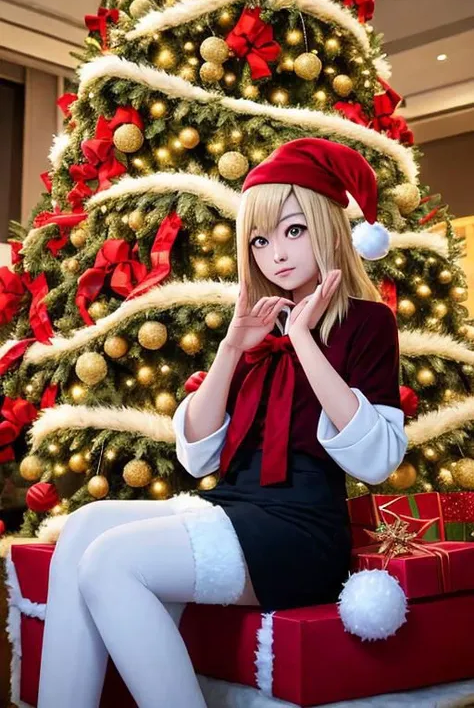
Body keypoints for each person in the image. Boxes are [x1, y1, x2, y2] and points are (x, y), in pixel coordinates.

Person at [37, 138, 408, 708]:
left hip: (300, 531)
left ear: (329, 228)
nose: (275, 254)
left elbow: (378, 459)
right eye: (259, 240)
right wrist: (232, 348)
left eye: (293, 230)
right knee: (84, 527)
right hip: (232, 508)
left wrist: (305, 342)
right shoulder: (258, 322)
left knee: (112, 562)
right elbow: (198, 456)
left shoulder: (367, 322)